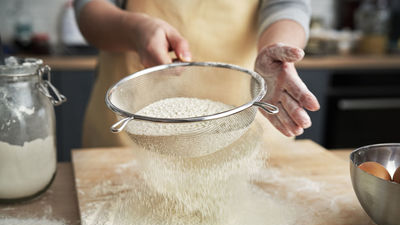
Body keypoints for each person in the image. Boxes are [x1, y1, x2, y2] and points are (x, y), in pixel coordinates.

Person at [74, 0, 320, 147]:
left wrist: (275, 49)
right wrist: (135, 30)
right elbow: (89, 9)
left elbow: (288, 4)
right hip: (135, 123)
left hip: (245, 117)